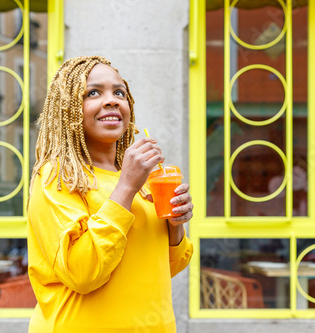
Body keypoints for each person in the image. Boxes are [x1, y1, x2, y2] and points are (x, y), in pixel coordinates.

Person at [27, 55, 194, 332]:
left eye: (119, 92)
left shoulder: (142, 178)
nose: (112, 100)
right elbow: (83, 273)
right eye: (93, 92)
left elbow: (164, 268)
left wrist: (176, 225)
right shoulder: (57, 176)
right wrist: (126, 187)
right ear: (67, 108)